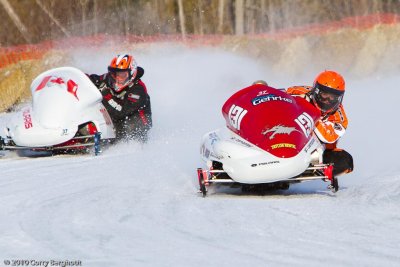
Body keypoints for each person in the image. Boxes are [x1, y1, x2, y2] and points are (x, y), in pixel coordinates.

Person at [286, 70, 353, 176]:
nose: (327, 100)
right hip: (288, 133)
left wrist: (308, 111)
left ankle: (312, 170)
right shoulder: (298, 92)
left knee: (346, 161)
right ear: (316, 91)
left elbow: (328, 137)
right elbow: (278, 96)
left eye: (333, 97)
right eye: (324, 94)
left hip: (316, 148)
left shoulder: (340, 118)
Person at [88, 54, 152, 142]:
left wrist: (106, 95)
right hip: (116, 119)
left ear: (132, 73)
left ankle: (124, 147)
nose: (118, 78)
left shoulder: (138, 90)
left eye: (122, 75)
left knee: (131, 124)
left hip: (136, 124)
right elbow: (94, 79)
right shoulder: (110, 78)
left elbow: (122, 112)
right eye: (115, 74)